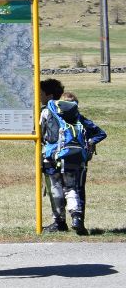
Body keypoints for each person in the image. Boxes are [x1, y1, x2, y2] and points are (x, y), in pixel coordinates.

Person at [39, 80, 106, 235]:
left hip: (50, 156)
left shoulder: (46, 111)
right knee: (73, 188)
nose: (39, 96)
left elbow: (40, 133)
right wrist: (88, 144)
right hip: (74, 157)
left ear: (49, 95)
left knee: (55, 188)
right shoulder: (74, 114)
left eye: (41, 93)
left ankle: (59, 222)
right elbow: (99, 132)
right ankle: (77, 218)